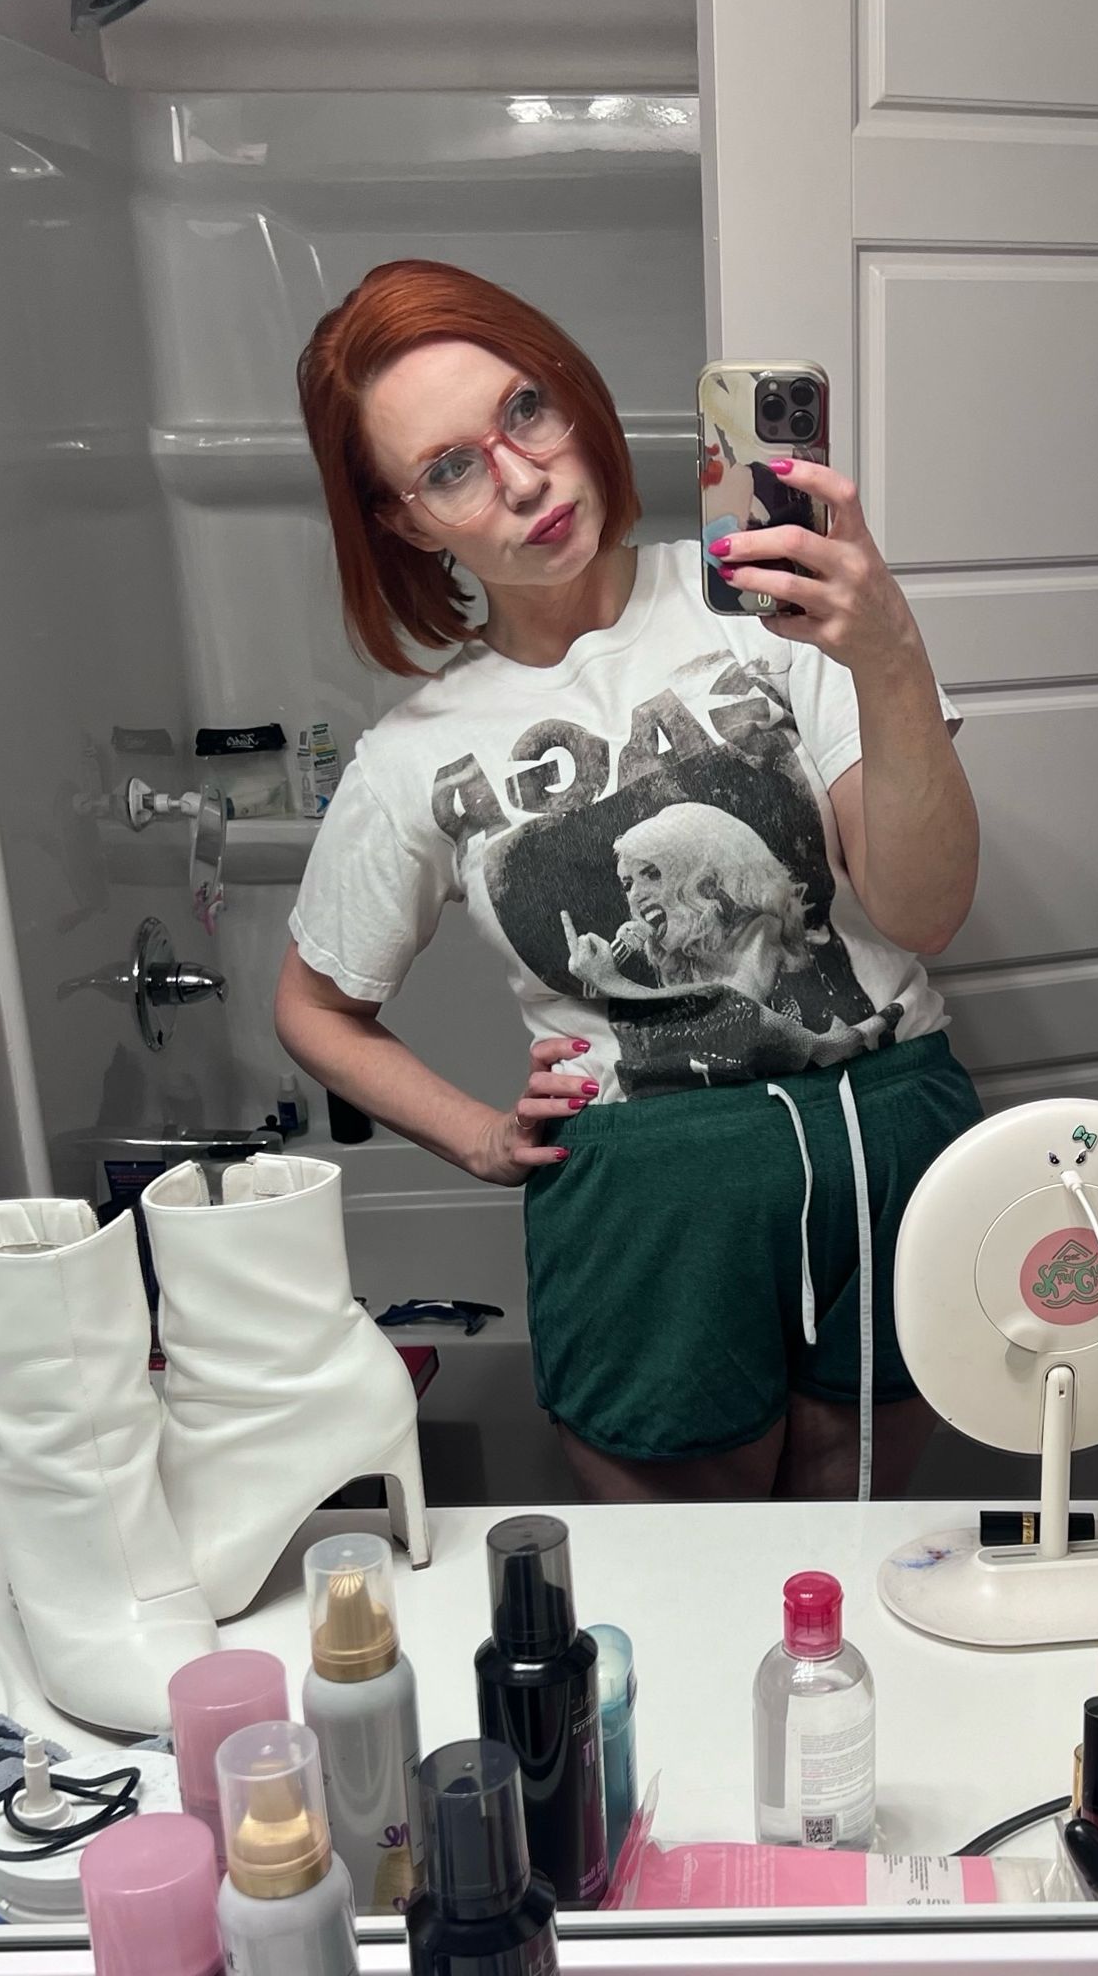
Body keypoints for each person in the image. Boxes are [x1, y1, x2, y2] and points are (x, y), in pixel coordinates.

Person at [275, 257, 982, 1503]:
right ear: (402, 519)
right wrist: (483, 1138)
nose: (521, 477)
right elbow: (314, 1009)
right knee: (694, 1603)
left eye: (526, 408)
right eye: (447, 468)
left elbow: (922, 909)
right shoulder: (407, 758)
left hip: (887, 1131)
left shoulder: (772, 606)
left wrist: (888, 648)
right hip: (646, 1198)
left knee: (858, 1570)